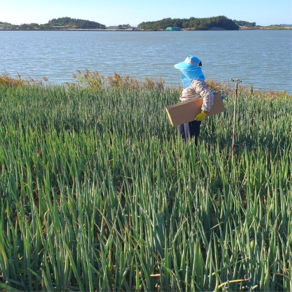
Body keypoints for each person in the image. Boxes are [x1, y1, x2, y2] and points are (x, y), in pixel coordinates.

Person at [174, 56, 214, 145]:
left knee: (190, 138)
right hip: (184, 111)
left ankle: (193, 155)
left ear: (191, 70)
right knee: (183, 137)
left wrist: (204, 113)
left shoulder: (197, 82)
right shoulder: (190, 80)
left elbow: (208, 95)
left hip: (192, 114)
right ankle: (185, 154)